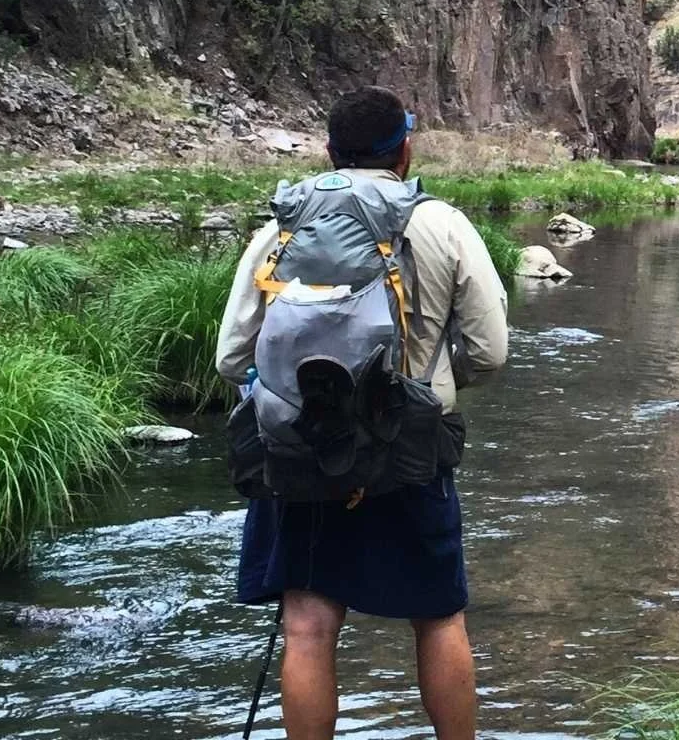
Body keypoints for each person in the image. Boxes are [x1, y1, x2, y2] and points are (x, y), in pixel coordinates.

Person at [217, 86, 510, 740]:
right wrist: (418, 387)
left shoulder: (284, 225)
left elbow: (232, 359)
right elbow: (491, 354)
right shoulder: (441, 223)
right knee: (437, 618)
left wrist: (301, 393)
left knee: (309, 625)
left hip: (300, 452)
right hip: (409, 454)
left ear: (329, 152)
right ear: (404, 151)